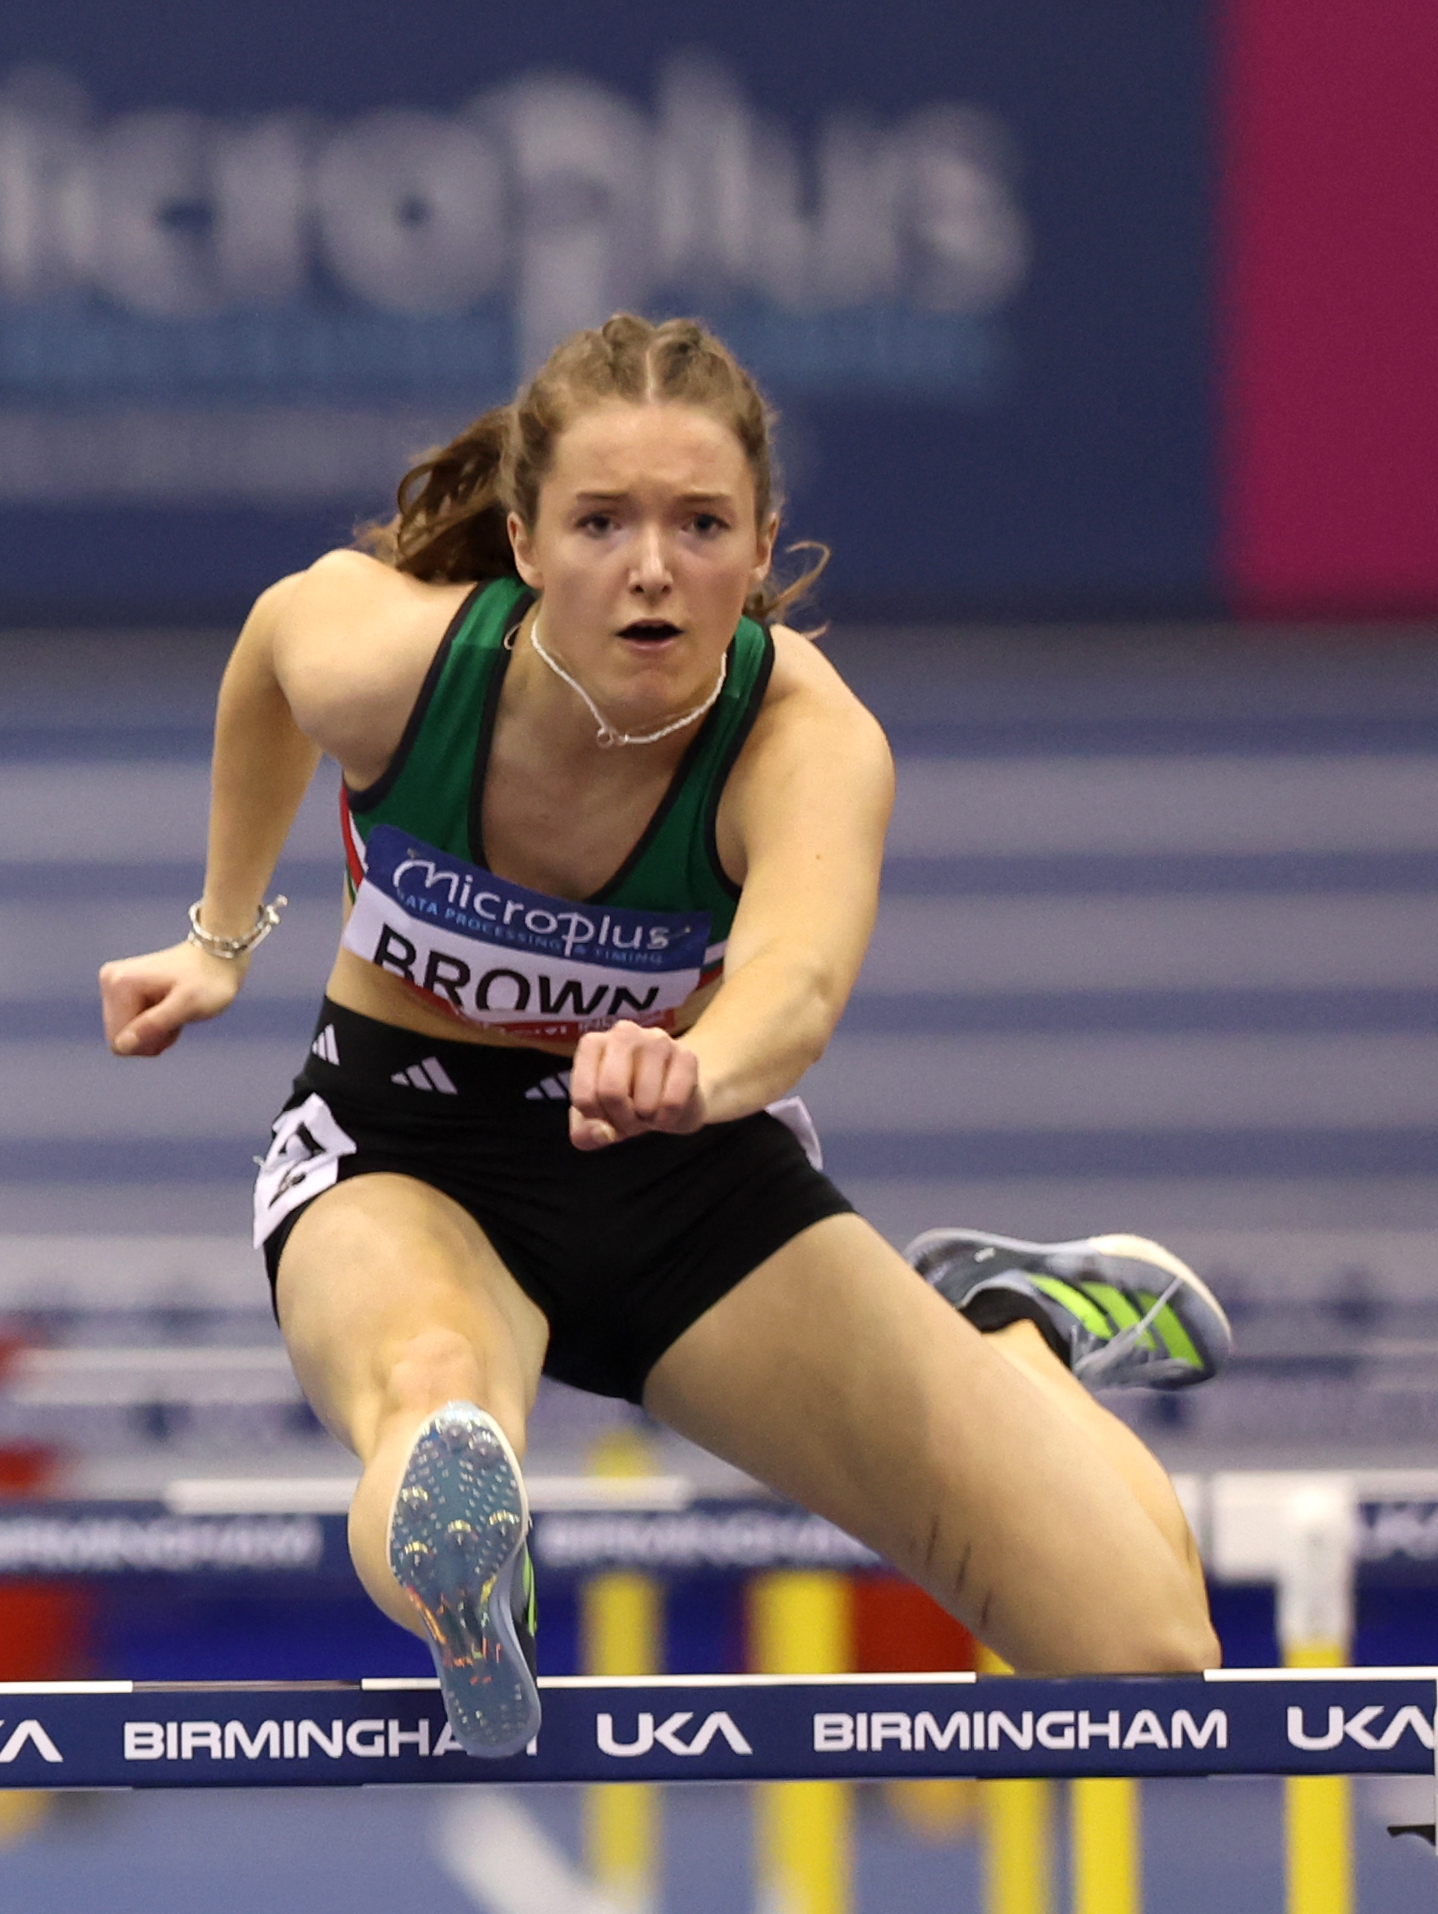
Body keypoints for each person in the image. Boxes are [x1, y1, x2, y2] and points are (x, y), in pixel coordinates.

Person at [96, 315, 1225, 1751]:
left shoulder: (806, 737)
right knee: (435, 1401)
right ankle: (467, 1584)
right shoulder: (392, 660)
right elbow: (266, 653)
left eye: (698, 524)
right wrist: (218, 936)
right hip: (399, 1151)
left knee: (1139, 1652)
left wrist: (694, 1069)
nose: (648, 567)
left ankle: (1007, 1339)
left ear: (758, 551)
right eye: (599, 523)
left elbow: (795, 989)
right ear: (522, 544)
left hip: (682, 1179)